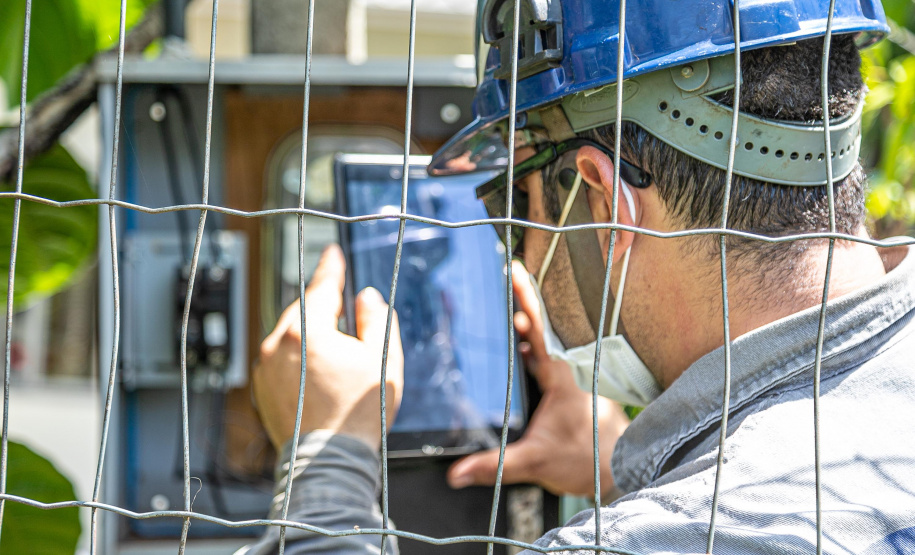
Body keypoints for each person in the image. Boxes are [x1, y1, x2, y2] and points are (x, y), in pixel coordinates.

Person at [241, 0, 915, 553]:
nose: (522, 255)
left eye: (514, 205)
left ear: (599, 197)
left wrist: (323, 462)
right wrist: (639, 465)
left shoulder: (652, 540)